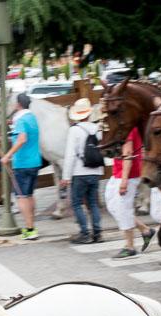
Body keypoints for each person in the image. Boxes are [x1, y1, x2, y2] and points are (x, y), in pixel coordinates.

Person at [104, 126, 156, 258]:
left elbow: (128, 153)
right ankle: (145, 230)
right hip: (118, 172)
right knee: (112, 205)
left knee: (122, 208)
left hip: (128, 174)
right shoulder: (125, 126)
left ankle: (130, 246)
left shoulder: (128, 128)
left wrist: (124, 180)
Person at [61, 98, 103, 244]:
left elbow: (70, 154)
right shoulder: (97, 129)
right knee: (93, 203)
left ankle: (84, 233)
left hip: (79, 172)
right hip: (95, 171)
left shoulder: (74, 130)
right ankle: (97, 233)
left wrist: (66, 176)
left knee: (77, 203)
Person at [0, 93, 41, 240]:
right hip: (35, 162)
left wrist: (7, 155)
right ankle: (32, 226)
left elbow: (22, 139)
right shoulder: (32, 118)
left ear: (18, 104)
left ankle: (30, 229)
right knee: (29, 195)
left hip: (22, 163)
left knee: (21, 197)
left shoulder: (21, 120)